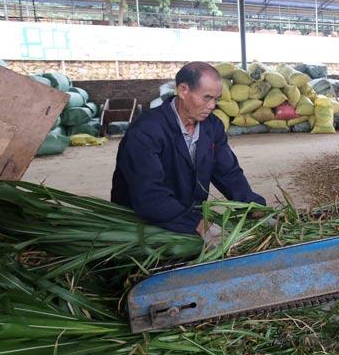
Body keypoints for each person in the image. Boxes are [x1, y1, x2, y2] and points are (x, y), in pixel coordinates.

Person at [111, 61, 265, 242]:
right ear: (183, 90)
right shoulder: (146, 131)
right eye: (207, 98)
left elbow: (228, 173)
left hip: (189, 218)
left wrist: (253, 206)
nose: (212, 105)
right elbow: (148, 193)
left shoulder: (212, 127)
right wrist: (197, 224)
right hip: (144, 226)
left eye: (216, 99)